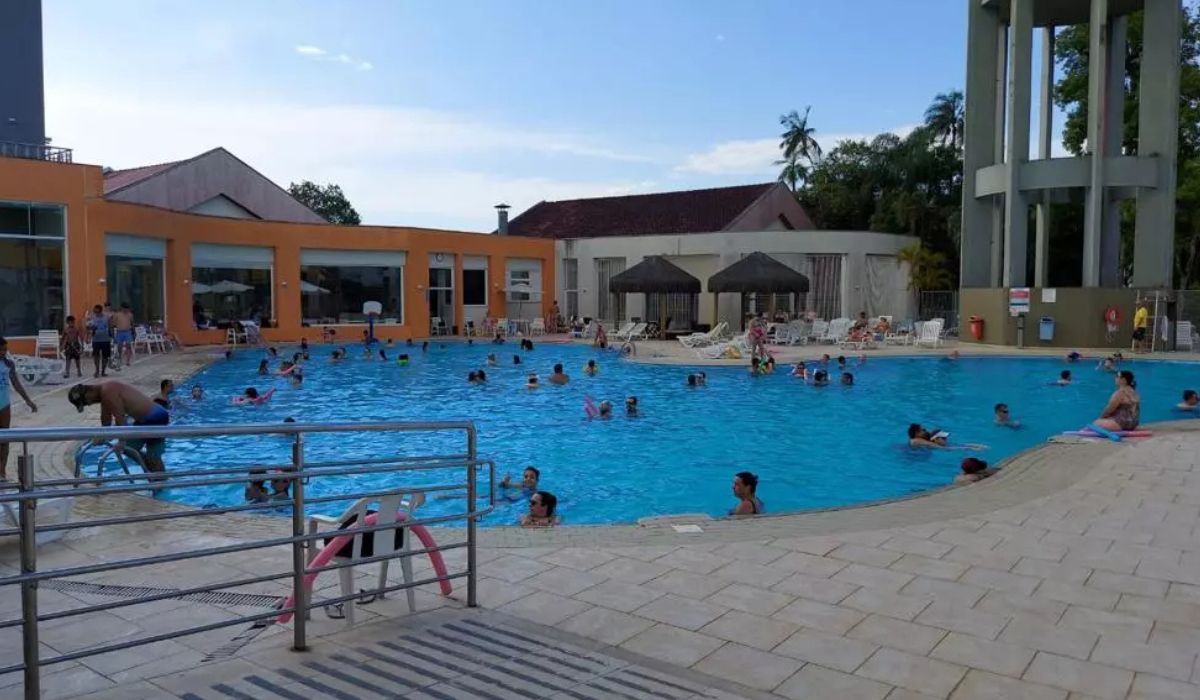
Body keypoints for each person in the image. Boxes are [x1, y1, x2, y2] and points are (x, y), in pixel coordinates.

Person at [68, 381, 168, 475]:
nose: (89, 404)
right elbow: (106, 418)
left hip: (156, 417)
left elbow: (120, 416)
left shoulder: (108, 391)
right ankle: (154, 474)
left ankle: (160, 479)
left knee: (153, 457)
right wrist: (102, 435)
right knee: (129, 449)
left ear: (88, 392)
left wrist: (122, 441)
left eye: (85, 402)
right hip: (143, 420)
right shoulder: (105, 394)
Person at [0, 338, 38, 480]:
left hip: (4, 404)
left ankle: (2, 471)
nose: (3, 352)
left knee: (5, 439)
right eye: (1, 350)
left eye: (5, 350)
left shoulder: (8, 364)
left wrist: (28, 400)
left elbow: (16, 384)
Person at [87, 304, 113, 378]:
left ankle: (103, 371)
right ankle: (97, 370)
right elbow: (88, 328)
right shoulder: (92, 318)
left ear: (101, 311)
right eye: (95, 311)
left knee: (105, 356)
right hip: (96, 339)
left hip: (105, 339)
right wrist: (90, 329)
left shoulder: (106, 318)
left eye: (97, 311)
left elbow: (110, 327)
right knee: (96, 355)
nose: (96, 313)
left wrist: (112, 337)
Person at [113, 303, 134, 368]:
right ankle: (119, 358)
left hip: (127, 331)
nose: (126, 310)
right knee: (119, 346)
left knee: (128, 345)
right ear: (122, 308)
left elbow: (132, 322)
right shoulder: (117, 315)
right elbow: (114, 323)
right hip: (120, 332)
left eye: (127, 309)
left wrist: (133, 331)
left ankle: (128, 361)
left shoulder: (130, 315)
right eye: (125, 308)